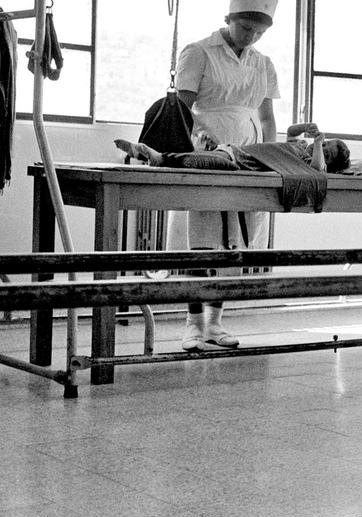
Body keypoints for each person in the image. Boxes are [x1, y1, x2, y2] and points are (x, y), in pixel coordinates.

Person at [169, 0, 281, 351]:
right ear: (229, 19)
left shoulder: (263, 64)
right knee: (201, 242)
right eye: (246, 29)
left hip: (248, 160)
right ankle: (192, 324)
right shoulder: (199, 52)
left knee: (237, 242)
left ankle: (216, 323)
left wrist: (271, 156)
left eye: (259, 33)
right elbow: (179, 110)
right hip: (205, 156)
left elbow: (266, 120)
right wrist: (195, 142)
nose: (251, 38)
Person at [116, 122, 350, 174]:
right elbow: (289, 133)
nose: (322, 147)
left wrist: (319, 144)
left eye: (327, 152)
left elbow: (318, 171)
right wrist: (304, 128)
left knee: (216, 163)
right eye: (327, 144)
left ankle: (151, 155)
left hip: (240, 163)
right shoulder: (299, 146)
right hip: (238, 153)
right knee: (217, 161)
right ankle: (158, 157)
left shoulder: (308, 166)